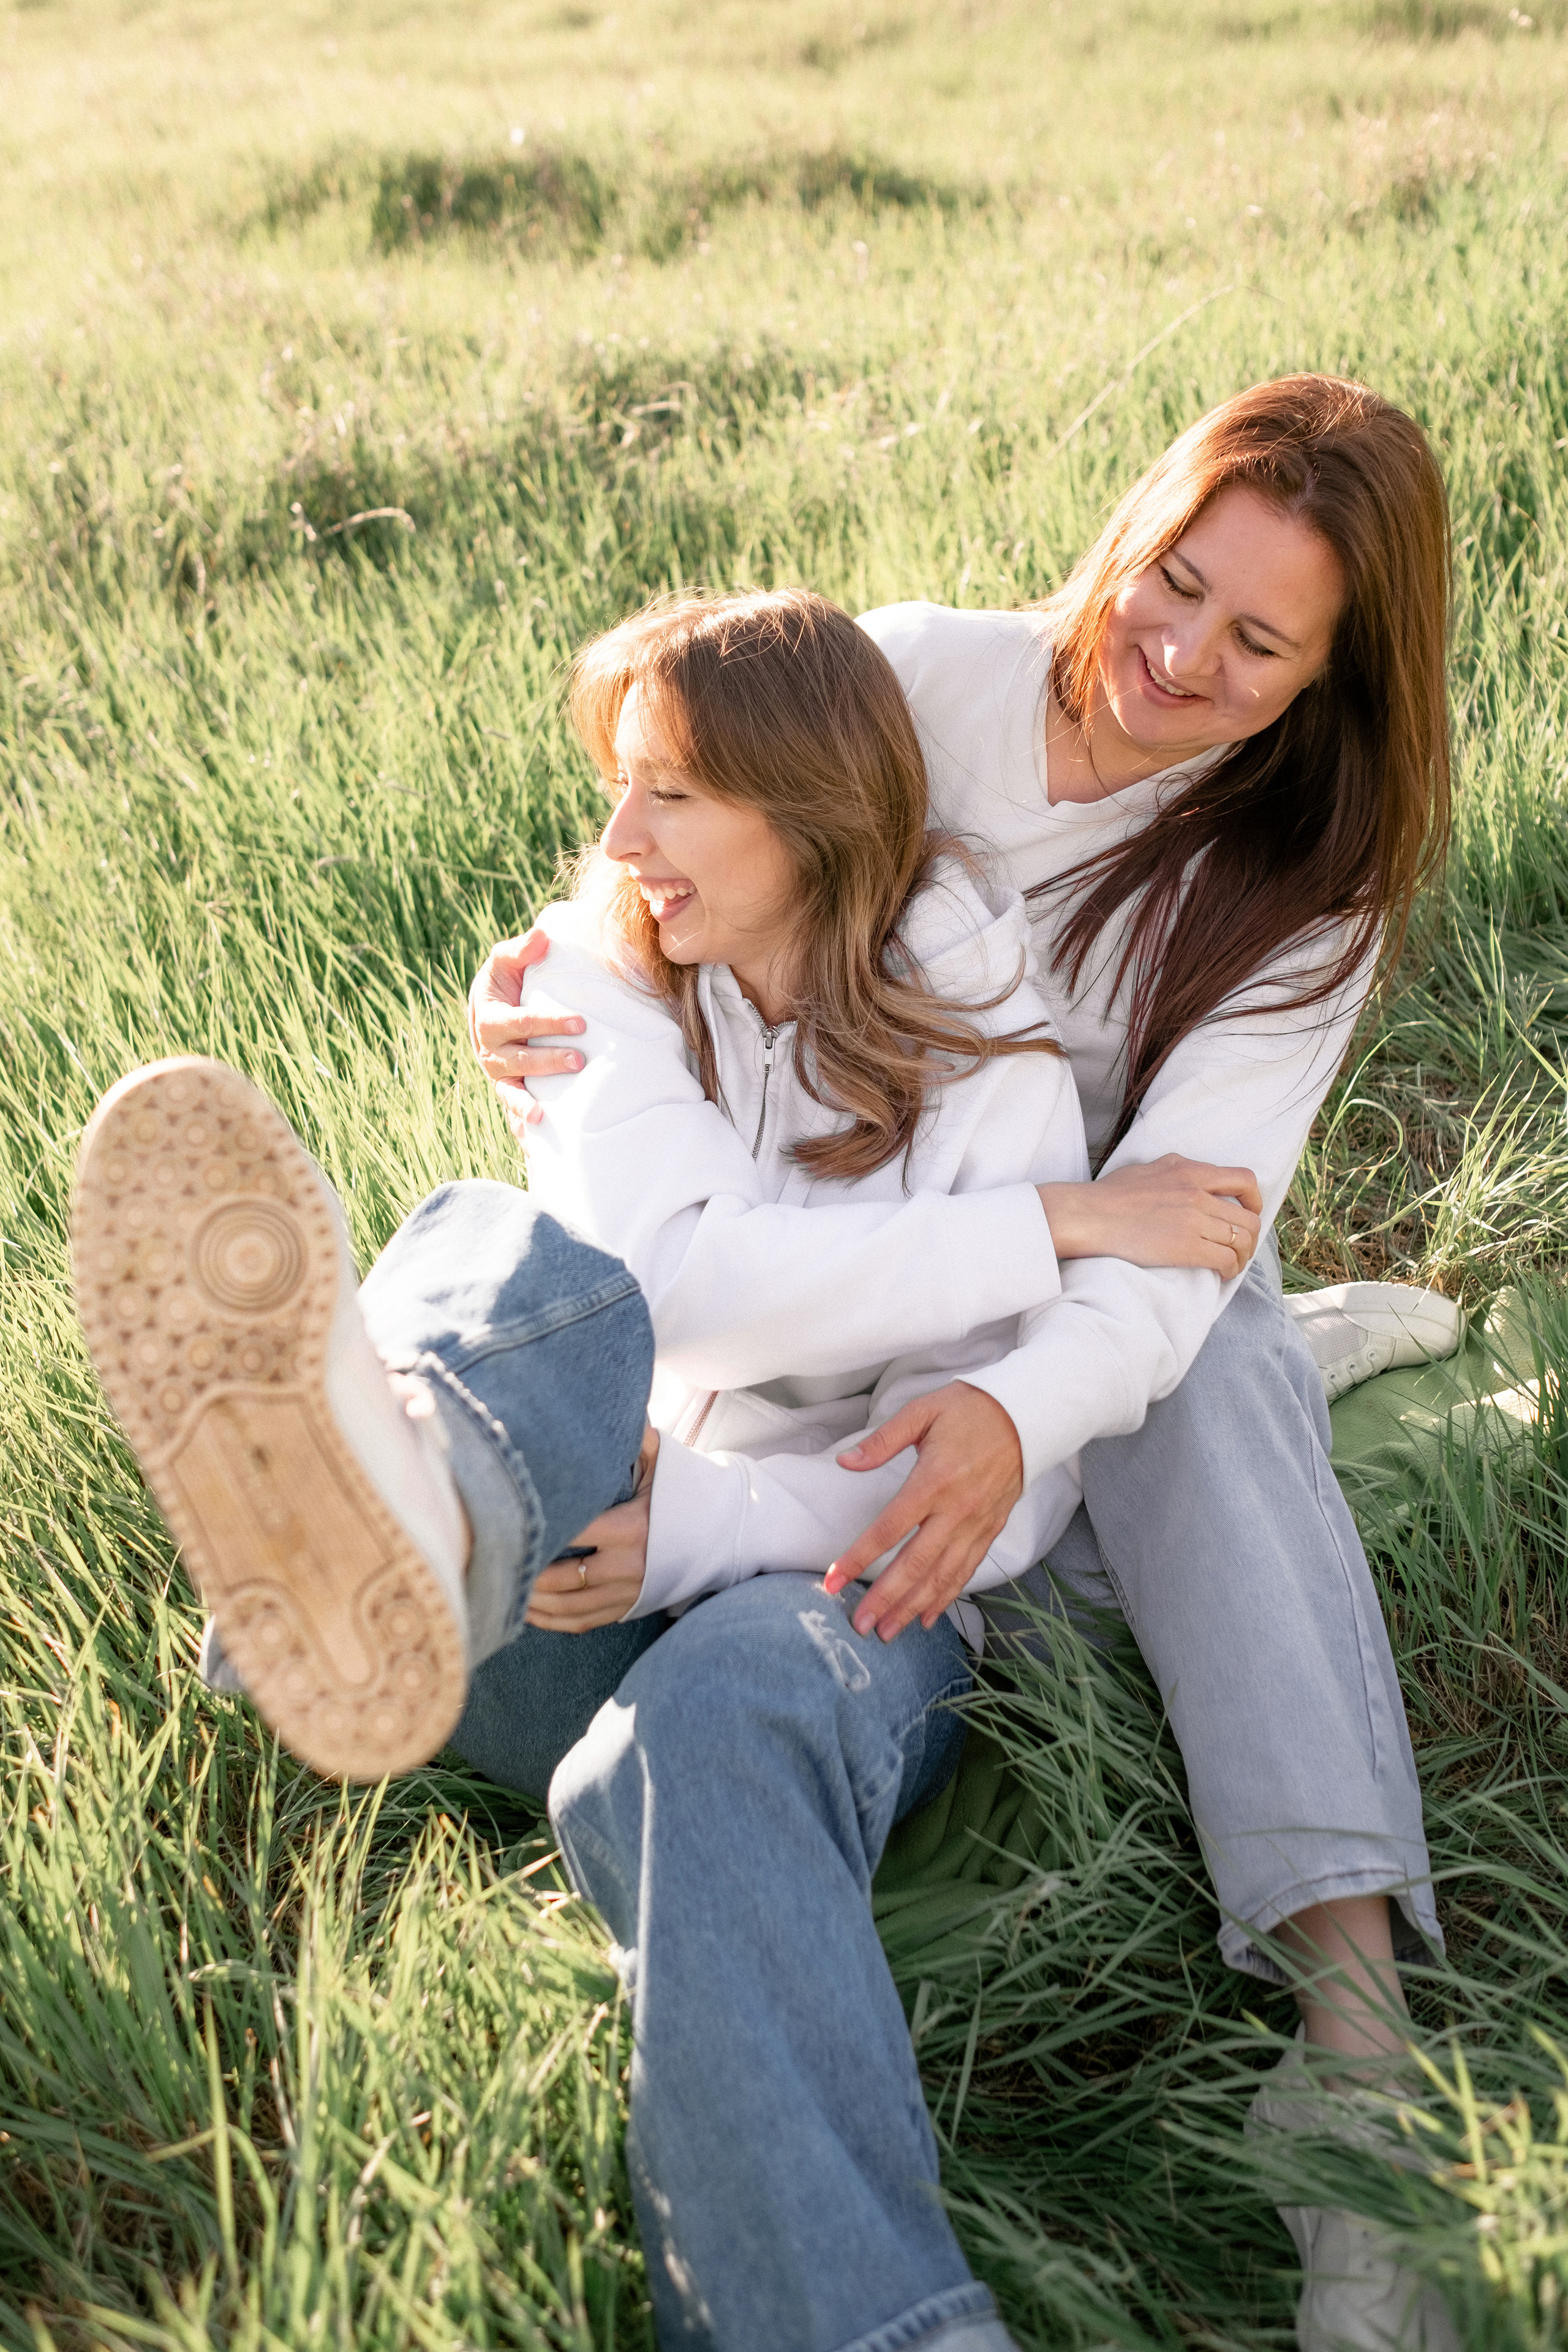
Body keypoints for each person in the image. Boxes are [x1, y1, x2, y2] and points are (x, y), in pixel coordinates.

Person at [78, 586, 1246, 2352]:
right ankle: (412, 1512)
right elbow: (674, 1291)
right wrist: (1052, 1229)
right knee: (518, 1259)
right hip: (541, 1557)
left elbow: (968, 1490)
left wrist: (703, 1526)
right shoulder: (593, 982)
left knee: (694, 1727)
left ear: (810, 813)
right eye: (618, 790)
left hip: (837, 1611)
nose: (619, 837)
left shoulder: (997, 1079)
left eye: (672, 797)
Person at [469, 375, 1462, 2351]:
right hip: (803, 1304)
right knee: (484, 1271)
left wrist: (1015, 1413)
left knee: (1211, 1329)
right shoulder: (919, 685)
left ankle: (1355, 2037)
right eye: (1174, 580)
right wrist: (567, 961)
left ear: (1334, 681)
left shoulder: (1298, 899)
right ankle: (394, 1495)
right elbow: (681, 829)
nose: (1178, 653)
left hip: (1070, 1326)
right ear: (1136, 523)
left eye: (1256, 641)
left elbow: (1172, 1245)